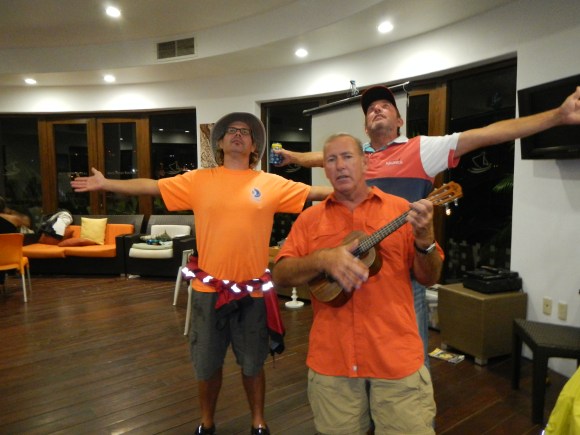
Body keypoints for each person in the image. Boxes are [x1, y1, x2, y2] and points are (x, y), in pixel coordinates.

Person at [274, 84, 580, 366]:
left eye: (385, 106)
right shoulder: (357, 157)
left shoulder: (420, 149)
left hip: (403, 277)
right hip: (351, 270)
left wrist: (557, 116)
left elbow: (486, 134)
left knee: (410, 363)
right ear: (365, 127)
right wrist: (293, 157)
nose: (376, 109)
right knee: (351, 360)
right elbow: (320, 157)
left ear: (399, 121)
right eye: (370, 109)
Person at [71, 112, 332, 435]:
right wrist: (106, 183)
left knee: (253, 363)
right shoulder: (198, 180)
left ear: (254, 147)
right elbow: (152, 186)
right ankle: (206, 422)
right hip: (209, 293)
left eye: (246, 132)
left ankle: (258, 421)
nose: (238, 134)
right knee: (206, 364)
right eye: (231, 131)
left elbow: (316, 193)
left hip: (252, 294)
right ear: (220, 142)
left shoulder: (270, 183)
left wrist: (356, 187)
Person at [272, 133, 442, 434]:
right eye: (331, 160)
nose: (340, 165)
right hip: (332, 362)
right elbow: (281, 275)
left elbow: (430, 277)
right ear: (325, 170)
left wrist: (425, 240)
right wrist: (322, 259)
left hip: (396, 359)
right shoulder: (310, 219)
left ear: (365, 163)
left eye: (347, 157)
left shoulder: (401, 210)